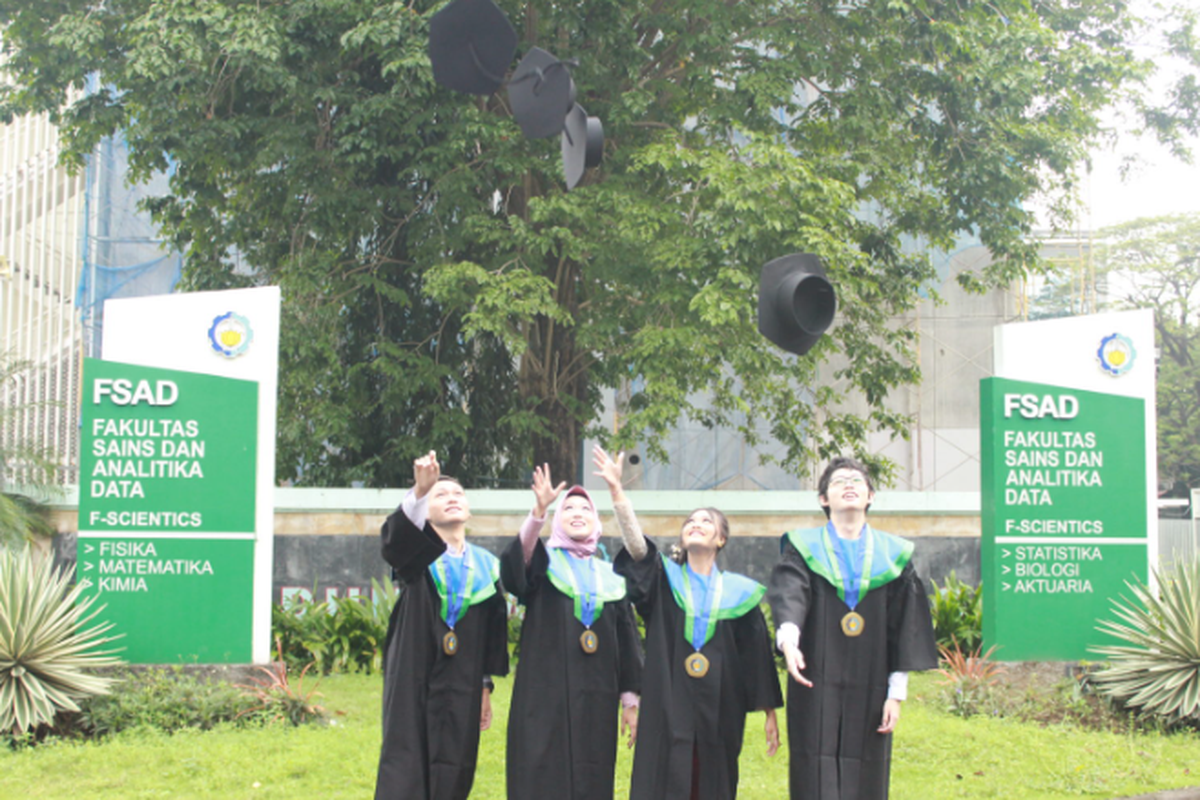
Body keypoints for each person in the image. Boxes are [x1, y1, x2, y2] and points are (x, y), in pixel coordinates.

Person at [596, 445, 782, 800]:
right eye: (690, 522)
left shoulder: (738, 594)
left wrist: (769, 710)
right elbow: (637, 549)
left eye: (706, 522)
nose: (696, 525)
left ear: (721, 539)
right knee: (663, 776)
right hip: (667, 698)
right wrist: (618, 493)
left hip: (721, 704)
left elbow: (756, 656)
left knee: (714, 779)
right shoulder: (665, 581)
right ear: (682, 538)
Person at [767, 456, 939, 800]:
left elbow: (903, 627)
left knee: (869, 767)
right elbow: (790, 594)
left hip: (871, 679)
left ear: (870, 496)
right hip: (814, 673)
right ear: (823, 499)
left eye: (856, 481)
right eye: (838, 481)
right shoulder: (803, 548)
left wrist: (896, 694)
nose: (848, 485)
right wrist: (789, 642)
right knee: (812, 763)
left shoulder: (893, 556)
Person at [500, 465, 644, 800]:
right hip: (544, 694)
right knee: (541, 771)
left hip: (598, 695)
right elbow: (516, 572)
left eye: (585, 509)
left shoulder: (611, 576)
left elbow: (628, 640)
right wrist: (538, 511)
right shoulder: (543, 564)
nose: (577, 513)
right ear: (555, 520)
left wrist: (630, 701)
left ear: (597, 521)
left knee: (593, 772)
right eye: (568, 508)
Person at [374, 451, 509, 800]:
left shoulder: (486, 567)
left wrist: (484, 686)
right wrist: (420, 491)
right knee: (407, 758)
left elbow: (491, 634)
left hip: (464, 678)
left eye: (458, 494)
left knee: (458, 758)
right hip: (414, 672)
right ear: (426, 511)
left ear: (469, 509)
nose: (451, 499)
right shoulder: (417, 557)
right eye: (441, 495)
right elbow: (394, 543)